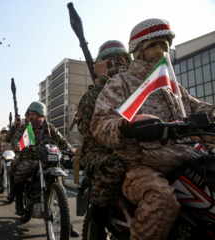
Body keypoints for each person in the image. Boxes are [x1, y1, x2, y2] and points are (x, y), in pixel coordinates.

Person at [91, 18, 215, 240]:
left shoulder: (174, 87)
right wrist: (127, 127)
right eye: (154, 45)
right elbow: (100, 124)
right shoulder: (122, 84)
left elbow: (204, 110)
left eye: (165, 45)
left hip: (187, 159)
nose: (161, 50)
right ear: (138, 51)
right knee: (162, 201)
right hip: (140, 166)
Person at [75, 40, 131, 238]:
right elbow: (88, 112)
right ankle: (96, 227)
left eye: (121, 59)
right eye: (110, 61)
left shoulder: (136, 82)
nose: (117, 64)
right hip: (100, 151)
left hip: (135, 149)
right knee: (112, 166)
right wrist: (101, 79)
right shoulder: (97, 89)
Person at [11, 101, 80, 238]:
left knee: (60, 186)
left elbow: (61, 141)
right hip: (29, 159)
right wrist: (17, 146)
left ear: (40, 115)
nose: (30, 117)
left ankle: (66, 224)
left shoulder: (49, 128)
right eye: (29, 114)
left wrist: (70, 149)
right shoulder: (26, 128)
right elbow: (14, 140)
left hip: (47, 159)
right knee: (21, 171)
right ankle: (19, 201)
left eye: (33, 114)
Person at [6, 110, 30, 202]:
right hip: (20, 153)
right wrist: (15, 126)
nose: (29, 118)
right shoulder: (21, 128)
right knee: (14, 164)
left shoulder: (36, 127)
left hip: (35, 153)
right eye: (27, 116)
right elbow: (9, 138)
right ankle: (13, 192)